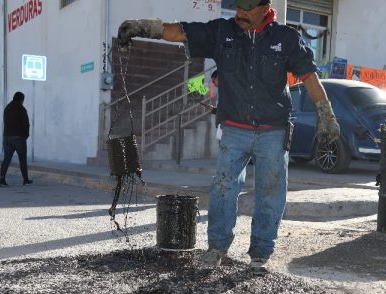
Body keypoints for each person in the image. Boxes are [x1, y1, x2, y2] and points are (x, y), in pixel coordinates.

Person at [118, 0, 340, 272]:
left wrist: (326, 115)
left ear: (265, 7)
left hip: (273, 131)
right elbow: (180, 32)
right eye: (238, 7)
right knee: (223, 188)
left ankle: (261, 252)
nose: (240, 14)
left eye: (247, 8)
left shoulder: (286, 38)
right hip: (234, 130)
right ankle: (217, 247)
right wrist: (142, 27)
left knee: (270, 193)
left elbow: (309, 77)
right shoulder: (221, 32)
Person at [0, 91, 32, 187]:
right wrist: (26, 135)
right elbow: (26, 123)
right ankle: (25, 180)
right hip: (19, 138)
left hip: (7, 137)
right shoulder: (21, 109)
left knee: (6, 159)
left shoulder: (7, 108)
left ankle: (2, 179)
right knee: (22, 159)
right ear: (21, 99)